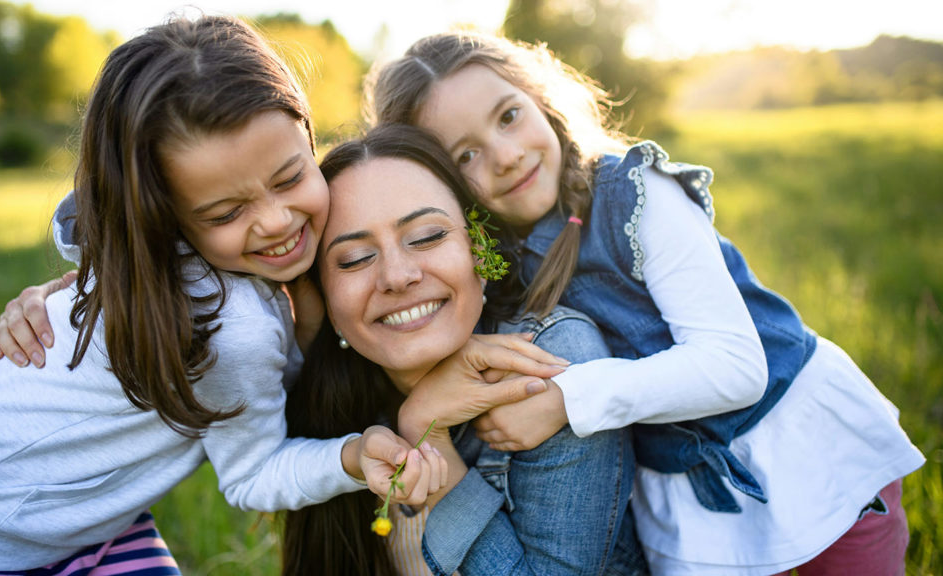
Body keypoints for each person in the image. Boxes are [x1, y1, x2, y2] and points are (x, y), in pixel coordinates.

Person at [0, 18, 559, 573]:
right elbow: (251, 476)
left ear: (308, 140)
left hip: (83, 527)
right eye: (227, 212)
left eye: (290, 176)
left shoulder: (178, 250)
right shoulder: (231, 328)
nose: (277, 222)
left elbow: (81, 222)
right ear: (168, 218)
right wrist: (355, 452)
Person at [365, 31, 926, 575]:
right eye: (466, 155)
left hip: (801, 448)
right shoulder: (491, 262)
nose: (506, 156)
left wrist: (567, 399)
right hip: (693, 497)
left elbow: (735, 368)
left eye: (509, 116)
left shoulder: (630, 193)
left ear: (538, 98)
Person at [280, 124, 644, 575]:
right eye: (354, 259)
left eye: (428, 236)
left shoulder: (550, 364)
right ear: (328, 303)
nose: (397, 276)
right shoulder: (333, 405)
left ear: (480, 252)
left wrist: (424, 430)